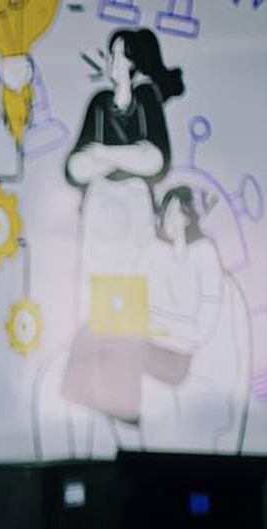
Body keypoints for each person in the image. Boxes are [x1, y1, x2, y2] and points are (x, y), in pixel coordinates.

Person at [60, 26, 186, 422]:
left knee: (128, 303)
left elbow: (155, 158)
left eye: (120, 55)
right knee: (95, 301)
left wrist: (107, 155)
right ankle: (89, 387)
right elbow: (77, 165)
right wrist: (109, 157)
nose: (113, 62)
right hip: (100, 210)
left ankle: (123, 401)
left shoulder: (147, 100)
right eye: (112, 54)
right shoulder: (100, 103)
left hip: (132, 210)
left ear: (134, 63)